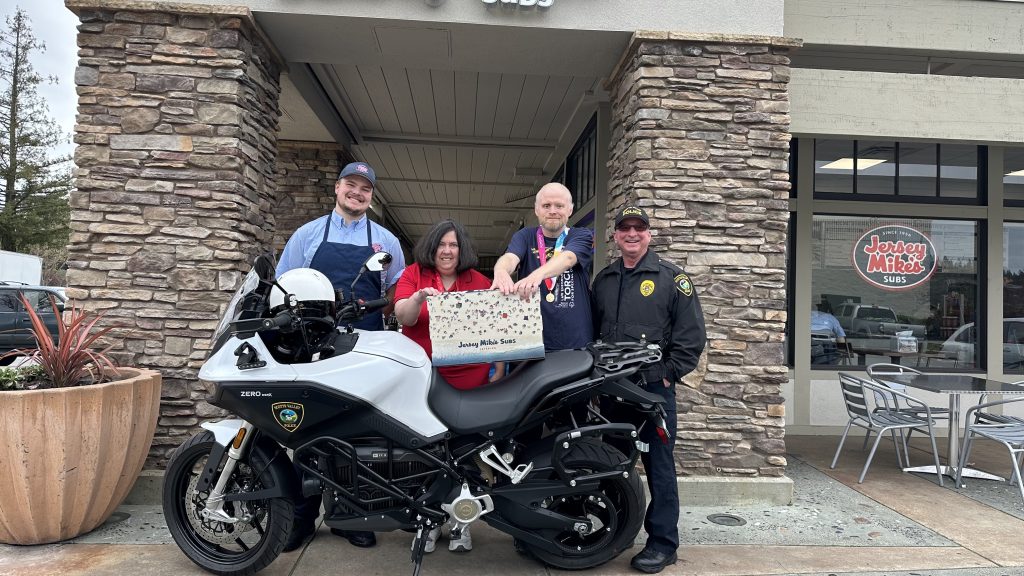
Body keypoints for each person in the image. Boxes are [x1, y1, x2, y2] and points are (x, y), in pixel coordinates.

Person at [278, 161, 405, 552]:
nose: (357, 192)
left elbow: (396, 295)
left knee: (360, 433)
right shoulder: (307, 235)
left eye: (365, 188)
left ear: (371, 196)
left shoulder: (386, 242)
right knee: (307, 433)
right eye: (351, 185)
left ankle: (352, 515)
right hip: (313, 349)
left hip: (366, 349)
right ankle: (302, 517)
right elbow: (284, 285)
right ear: (337, 188)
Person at [591, 205, 706, 574]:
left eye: (639, 228)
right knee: (612, 465)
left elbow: (691, 338)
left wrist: (669, 374)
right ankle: (613, 533)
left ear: (649, 234)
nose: (632, 234)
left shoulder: (672, 279)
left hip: (653, 392)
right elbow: (593, 334)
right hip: (612, 391)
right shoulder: (604, 281)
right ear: (616, 235)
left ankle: (663, 544)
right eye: (625, 228)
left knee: (659, 467)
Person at [394, 219, 506, 390]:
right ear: (432, 247)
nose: (447, 251)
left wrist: (499, 367)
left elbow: (494, 327)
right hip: (421, 374)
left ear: (462, 250)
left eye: (453, 245)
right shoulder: (413, 273)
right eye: (441, 244)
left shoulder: (482, 282)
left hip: (471, 377)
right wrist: (417, 299)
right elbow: (404, 318)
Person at [491, 182, 593, 351]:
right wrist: (500, 270)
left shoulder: (581, 235)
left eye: (559, 205)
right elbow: (510, 257)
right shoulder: (525, 236)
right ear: (537, 210)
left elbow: (568, 258)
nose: (552, 211)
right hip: (530, 345)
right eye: (546, 205)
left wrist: (535, 276)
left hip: (576, 345)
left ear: (570, 209)